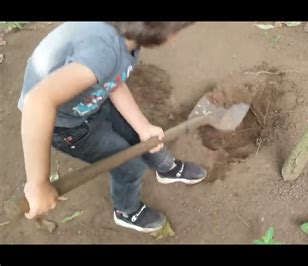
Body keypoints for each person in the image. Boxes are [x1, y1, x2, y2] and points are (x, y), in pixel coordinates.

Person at [18, 22, 207, 233]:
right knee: (130, 167)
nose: (176, 37)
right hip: (70, 127)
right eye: (178, 30)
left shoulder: (124, 37)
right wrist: (38, 183)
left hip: (92, 100)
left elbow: (113, 78)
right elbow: (37, 102)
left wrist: (143, 126)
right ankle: (127, 210)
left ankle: (165, 167)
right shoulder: (103, 51)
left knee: (140, 135)